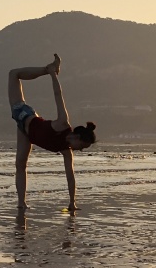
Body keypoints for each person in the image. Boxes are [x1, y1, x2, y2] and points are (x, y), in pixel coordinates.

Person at [8, 54, 96, 211]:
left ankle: (21, 203)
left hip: (26, 133)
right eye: (82, 146)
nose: (80, 150)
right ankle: (48, 69)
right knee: (13, 74)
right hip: (23, 114)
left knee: (20, 165)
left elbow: (70, 177)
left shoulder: (66, 151)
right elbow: (58, 96)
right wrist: (53, 75)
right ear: (77, 137)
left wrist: (72, 202)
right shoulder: (63, 123)